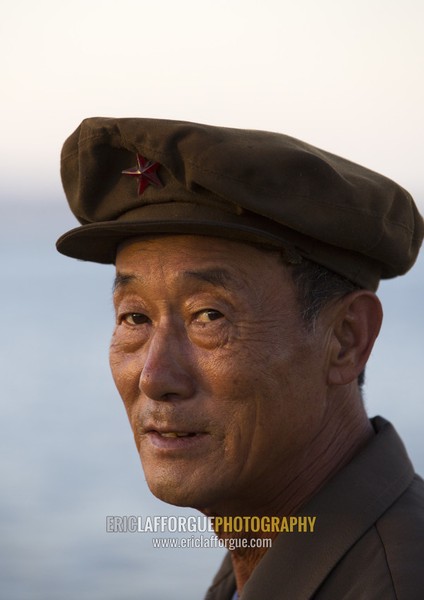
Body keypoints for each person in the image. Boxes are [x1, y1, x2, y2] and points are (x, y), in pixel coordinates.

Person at [57, 117, 424, 599]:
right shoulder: (260, 555)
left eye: (208, 315)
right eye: (134, 318)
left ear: (346, 339)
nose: (154, 377)